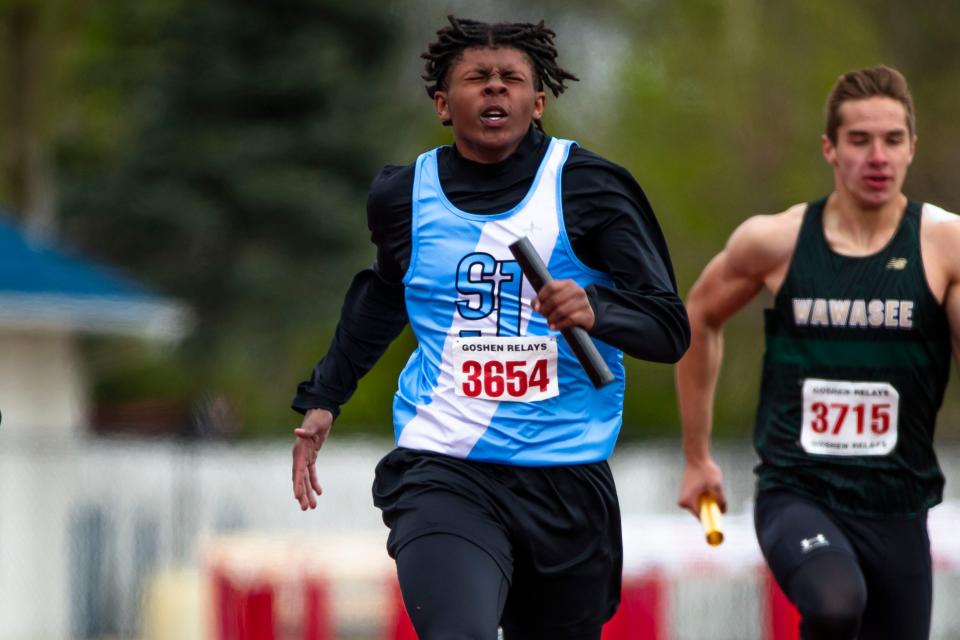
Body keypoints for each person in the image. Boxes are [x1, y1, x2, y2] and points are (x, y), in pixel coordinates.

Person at [290, 15, 689, 640]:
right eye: (478, 78)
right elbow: (382, 297)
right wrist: (324, 398)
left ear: (539, 100)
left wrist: (595, 308)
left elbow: (670, 330)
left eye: (512, 79)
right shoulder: (405, 195)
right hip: (444, 468)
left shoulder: (590, 187)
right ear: (444, 104)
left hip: (566, 478)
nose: (496, 89)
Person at [676, 65, 960, 640]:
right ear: (831, 149)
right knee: (834, 605)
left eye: (892, 140)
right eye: (860, 140)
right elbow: (699, 315)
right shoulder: (775, 241)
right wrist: (697, 455)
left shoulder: (945, 244)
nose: (877, 156)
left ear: (911, 148)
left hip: (899, 505)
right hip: (798, 491)